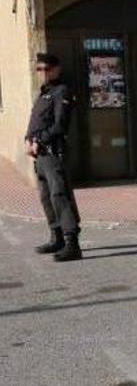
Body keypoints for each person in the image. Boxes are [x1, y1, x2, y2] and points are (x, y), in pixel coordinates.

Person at [25, 53, 81, 262]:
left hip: (53, 152)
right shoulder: (43, 93)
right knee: (46, 197)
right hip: (39, 154)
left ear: (56, 69)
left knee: (60, 196)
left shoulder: (61, 91)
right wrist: (28, 139)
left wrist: (40, 140)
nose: (43, 73)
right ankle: (56, 237)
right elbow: (35, 122)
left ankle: (72, 243)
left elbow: (60, 125)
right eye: (39, 69)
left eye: (47, 69)